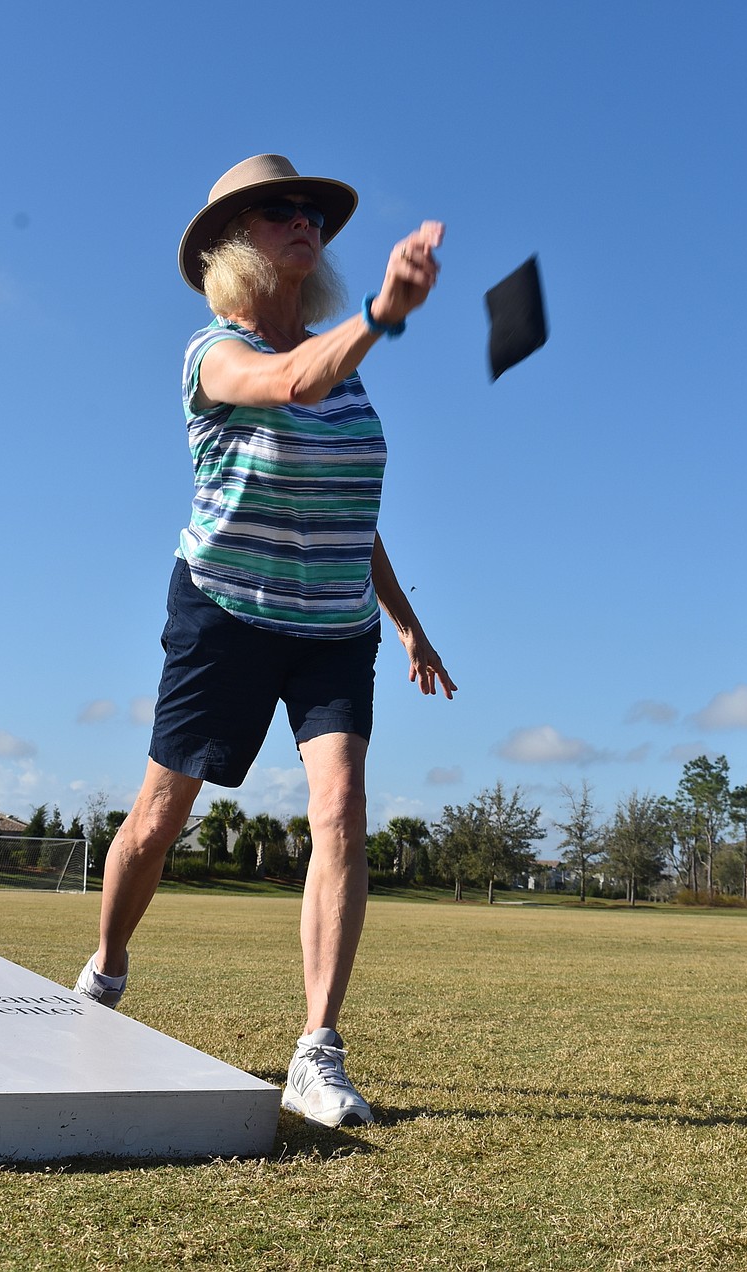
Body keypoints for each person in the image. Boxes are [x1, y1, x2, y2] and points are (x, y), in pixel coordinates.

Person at [74, 154, 456, 1128]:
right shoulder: (214, 353)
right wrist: (381, 314)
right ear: (228, 247)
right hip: (225, 613)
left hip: (332, 628)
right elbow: (286, 384)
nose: (304, 224)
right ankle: (108, 969)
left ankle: (315, 1051)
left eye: (312, 214)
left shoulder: (348, 367)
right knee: (159, 818)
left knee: (341, 810)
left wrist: (408, 624)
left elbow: (350, 514)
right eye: (278, 212)